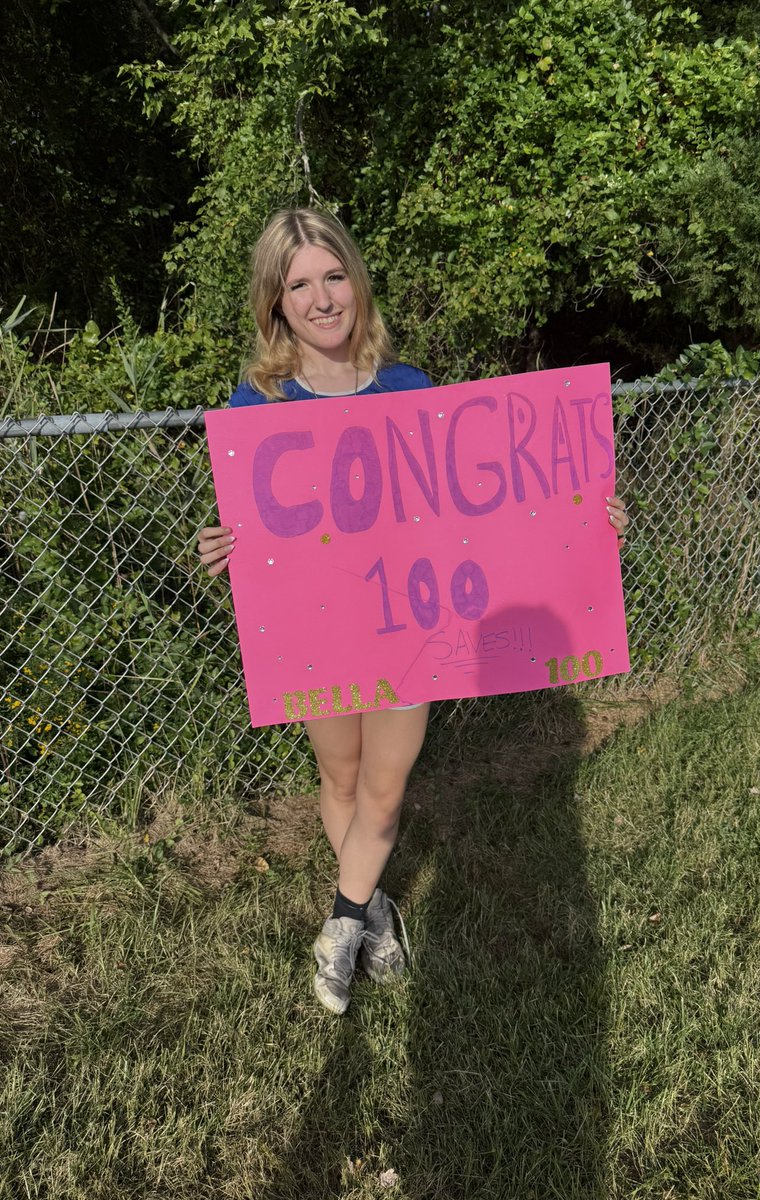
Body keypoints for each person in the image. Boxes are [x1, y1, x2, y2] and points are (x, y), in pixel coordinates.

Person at [196, 207, 629, 1015]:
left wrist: (586, 519)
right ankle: (376, 907)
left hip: (409, 627)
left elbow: (489, 518)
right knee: (342, 775)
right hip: (322, 632)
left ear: (355, 281)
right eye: (299, 285)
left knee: (387, 791)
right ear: (275, 304)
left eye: (333, 276)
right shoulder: (254, 405)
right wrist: (221, 549)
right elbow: (258, 540)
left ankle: (340, 921)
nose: (322, 298)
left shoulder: (411, 389)